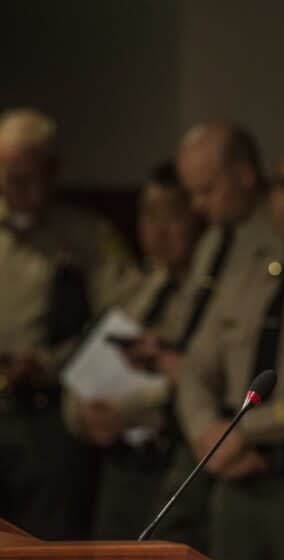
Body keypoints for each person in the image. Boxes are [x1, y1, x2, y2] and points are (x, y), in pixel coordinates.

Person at [175, 139, 284, 560]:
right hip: (232, 480)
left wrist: (245, 430)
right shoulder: (247, 268)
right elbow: (197, 365)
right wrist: (204, 430)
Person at [0, 108, 135, 538]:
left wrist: (47, 361)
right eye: (7, 176)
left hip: (50, 410)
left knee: (47, 537)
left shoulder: (87, 235)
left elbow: (122, 317)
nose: (15, 189)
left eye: (27, 177)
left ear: (53, 171)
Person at [147, 120, 280, 551]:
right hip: (202, 428)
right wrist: (205, 426)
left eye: (206, 191)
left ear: (243, 176)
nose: (197, 206)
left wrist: (236, 433)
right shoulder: (215, 242)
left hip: (258, 441)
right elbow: (200, 349)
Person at [63, 160, 204, 539]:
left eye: (172, 215)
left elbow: (194, 378)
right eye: (148, 215)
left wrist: (122, 411)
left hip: (176, 462)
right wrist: (83, 416)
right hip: (121, 467)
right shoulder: (133, 289)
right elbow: (82, 370)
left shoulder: (208, 297)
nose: (158, 230)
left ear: (197, 217)